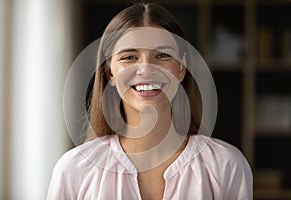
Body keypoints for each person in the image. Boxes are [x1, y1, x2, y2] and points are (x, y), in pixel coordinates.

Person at [47, 2, 253, 200]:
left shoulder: (226, 165)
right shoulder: (74, 169)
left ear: (181, 69)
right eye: (129, 57)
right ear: (109, 72)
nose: (146, 69)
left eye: (162, 55)